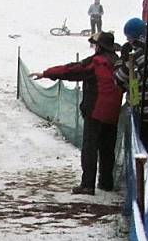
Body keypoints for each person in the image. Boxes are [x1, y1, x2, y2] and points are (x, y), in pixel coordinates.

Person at [30, 31, 123, 195]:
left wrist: (47, 73)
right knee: (107, 148)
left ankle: (87, 185)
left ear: (99, 46)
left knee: (90, 147)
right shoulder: (118, 62)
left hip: (95, 110)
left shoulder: (96, 62)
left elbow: (71, 70)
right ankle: (106, 182)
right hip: (113, 111)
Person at [114, 17, 148, 153]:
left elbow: (119, 79)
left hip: (145, 110)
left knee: (146, 149)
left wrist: (121, 61)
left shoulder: (138, 54)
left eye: (128, 38)